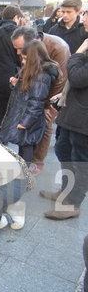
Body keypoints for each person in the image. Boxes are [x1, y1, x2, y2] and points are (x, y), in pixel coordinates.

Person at [11, 27, 70, 174]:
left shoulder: (58, 48)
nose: (18, 53)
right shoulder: (26, 51)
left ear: (33, 43)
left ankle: (37, 162)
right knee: (27, 125)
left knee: (45, 122)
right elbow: (25, 71)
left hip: (53, 92)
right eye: (16, 49)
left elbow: (60, 81)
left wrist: (48, 106)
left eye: (20, 49)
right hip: (34, 91)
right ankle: (24, 160)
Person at [42, 38, 88, 220]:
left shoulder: (84, 46)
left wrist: (80, 50)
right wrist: (65, 92)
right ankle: (65, 191)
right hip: (75, 110)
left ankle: (73, 203)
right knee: (63, 150)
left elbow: (78, 76)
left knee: (81, 162)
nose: (84, 18)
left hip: (83, 118)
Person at [0, 40, 58, 165]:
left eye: (25, 58)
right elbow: (28, 92)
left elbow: (36, 101)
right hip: (25, 115)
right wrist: (17, 84)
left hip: (28, 118)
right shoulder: (34, 72)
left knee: (26, 147)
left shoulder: (41, 76)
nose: (23, 61)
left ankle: (24, 176)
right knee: (23, 145)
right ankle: (23, 173)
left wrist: (26, 122)